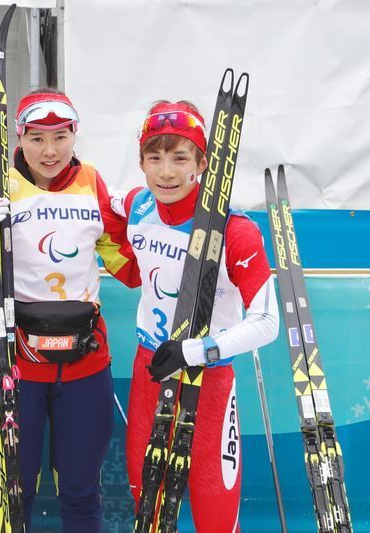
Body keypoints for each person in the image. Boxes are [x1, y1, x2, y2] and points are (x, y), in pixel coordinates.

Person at [0, 89, 138, 532]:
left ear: (75, 134)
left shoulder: (92, 181)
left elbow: (127, 269)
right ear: (20, 138)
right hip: (15, 364)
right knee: (15, 490)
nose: (49, 150)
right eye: (36, 138)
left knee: (80, 489)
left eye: (60, 136)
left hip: (85, 365)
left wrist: (147, 218)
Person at [116, 100, 280, 531]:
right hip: (149, 368)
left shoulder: (235, 231)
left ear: (202, 163)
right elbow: (87, 206)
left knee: (214, 510)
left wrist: (199, 349)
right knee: (145, 499)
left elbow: (268, 323)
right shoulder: (136, 206)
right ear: (141, 162)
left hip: (208, 378)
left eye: (180, 157)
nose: (166, 171)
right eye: (155, 157)